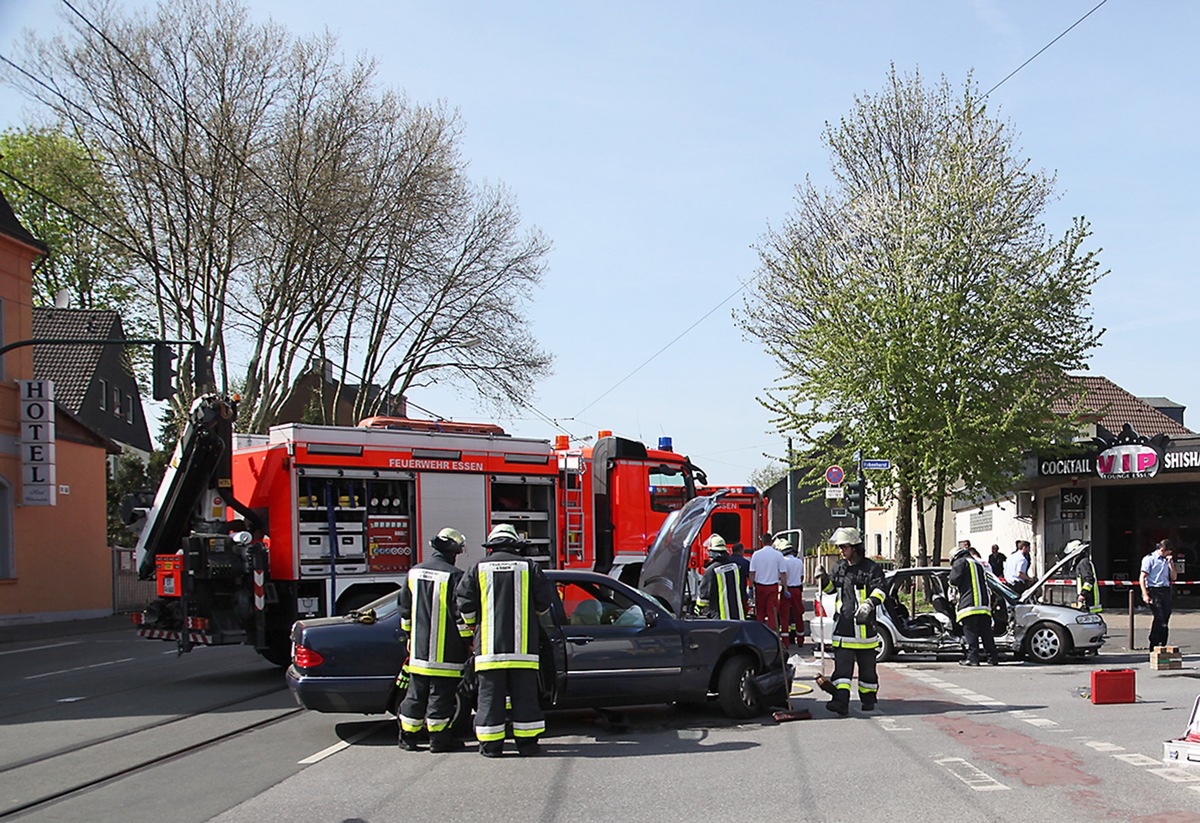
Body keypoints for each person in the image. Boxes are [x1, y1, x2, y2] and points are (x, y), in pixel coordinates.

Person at [456, 523, 555, 758]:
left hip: (489, 651)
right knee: (525, 699)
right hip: (524, 651)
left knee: (489, 699)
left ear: (491, 547)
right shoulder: (529, 567)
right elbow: (544, 603)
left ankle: (491, 747)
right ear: (515, 545)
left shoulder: (477, 568)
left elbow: (465, 604)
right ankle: (527, 745)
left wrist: (473, 627)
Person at [397, 527, 474, 752]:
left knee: (415, 695)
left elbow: (405, 611)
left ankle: (408, 739)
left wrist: (409, 639)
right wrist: (468, 642)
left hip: (419, 653)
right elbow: (460, 615)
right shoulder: (454, 575)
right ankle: (439, 742)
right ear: (454, 551)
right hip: (446, 653)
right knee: (441, 698)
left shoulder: (414, 573)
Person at [816, 527, 886, 715]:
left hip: (864, 630)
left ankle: (869, 699)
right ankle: (840, 702)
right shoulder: (838, 567)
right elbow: (831, 590)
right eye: (839, 547)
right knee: (842, 671)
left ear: (855, 547)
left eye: (844, 546)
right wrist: (823, 579)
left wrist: (869, 605)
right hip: (843, 628)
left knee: (868, 672)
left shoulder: (871, 568)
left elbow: (880, 590)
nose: (841, 550)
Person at [949, 543, 998, 666]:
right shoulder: (977, 563)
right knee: (986, 633)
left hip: (969, 605)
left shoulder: (960, 563)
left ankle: (973, 658)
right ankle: (993, 658)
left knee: (971, 632)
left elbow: (953, 580)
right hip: (984, 605)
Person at [695, 535, 746, 620]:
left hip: (720, 618)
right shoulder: (734, 566)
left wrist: (697, 609)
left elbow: (703, 597)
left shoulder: (711, 570)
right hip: (738, 616)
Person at [1140, 539, 1178, 649]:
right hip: (1153, 589)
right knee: (1159, 615)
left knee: (1166, 614)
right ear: (1162, 550)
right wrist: (1145, 594)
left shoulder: (1167, 561)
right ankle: (1154, 641)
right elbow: (1142, 577)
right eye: (1168, 553)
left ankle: (1163, 641)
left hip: (1165, 589)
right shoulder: (1149, 559)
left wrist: (1171, 563)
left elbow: (1174, 577)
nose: (1169, 555)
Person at [748, 532, 787, 634]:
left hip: (759, 587)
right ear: (772, 542)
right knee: (772, 612)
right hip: (772, 587)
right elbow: (783, 574)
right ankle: (772, 633)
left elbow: (752, 573)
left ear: (762, 542)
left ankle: (760, 634)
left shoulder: (756, 555)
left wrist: (751, 587)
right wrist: (785, 588)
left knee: (760, 612)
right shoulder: (778, 555)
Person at [777, 537, 806, 650]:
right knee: (798, 614)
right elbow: (802, 577)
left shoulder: (782, 561)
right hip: (797, 590)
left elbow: (781, 576)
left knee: (784, 616)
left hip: (786, 590)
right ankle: (800, 640)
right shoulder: (799, 562)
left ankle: (785, 642)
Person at [1069, 540, 1101, 614]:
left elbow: (1089, 580)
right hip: (1086, 601)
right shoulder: (1081, 562)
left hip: (1088, 602)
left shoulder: (1083, 563)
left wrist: (1083, 594)